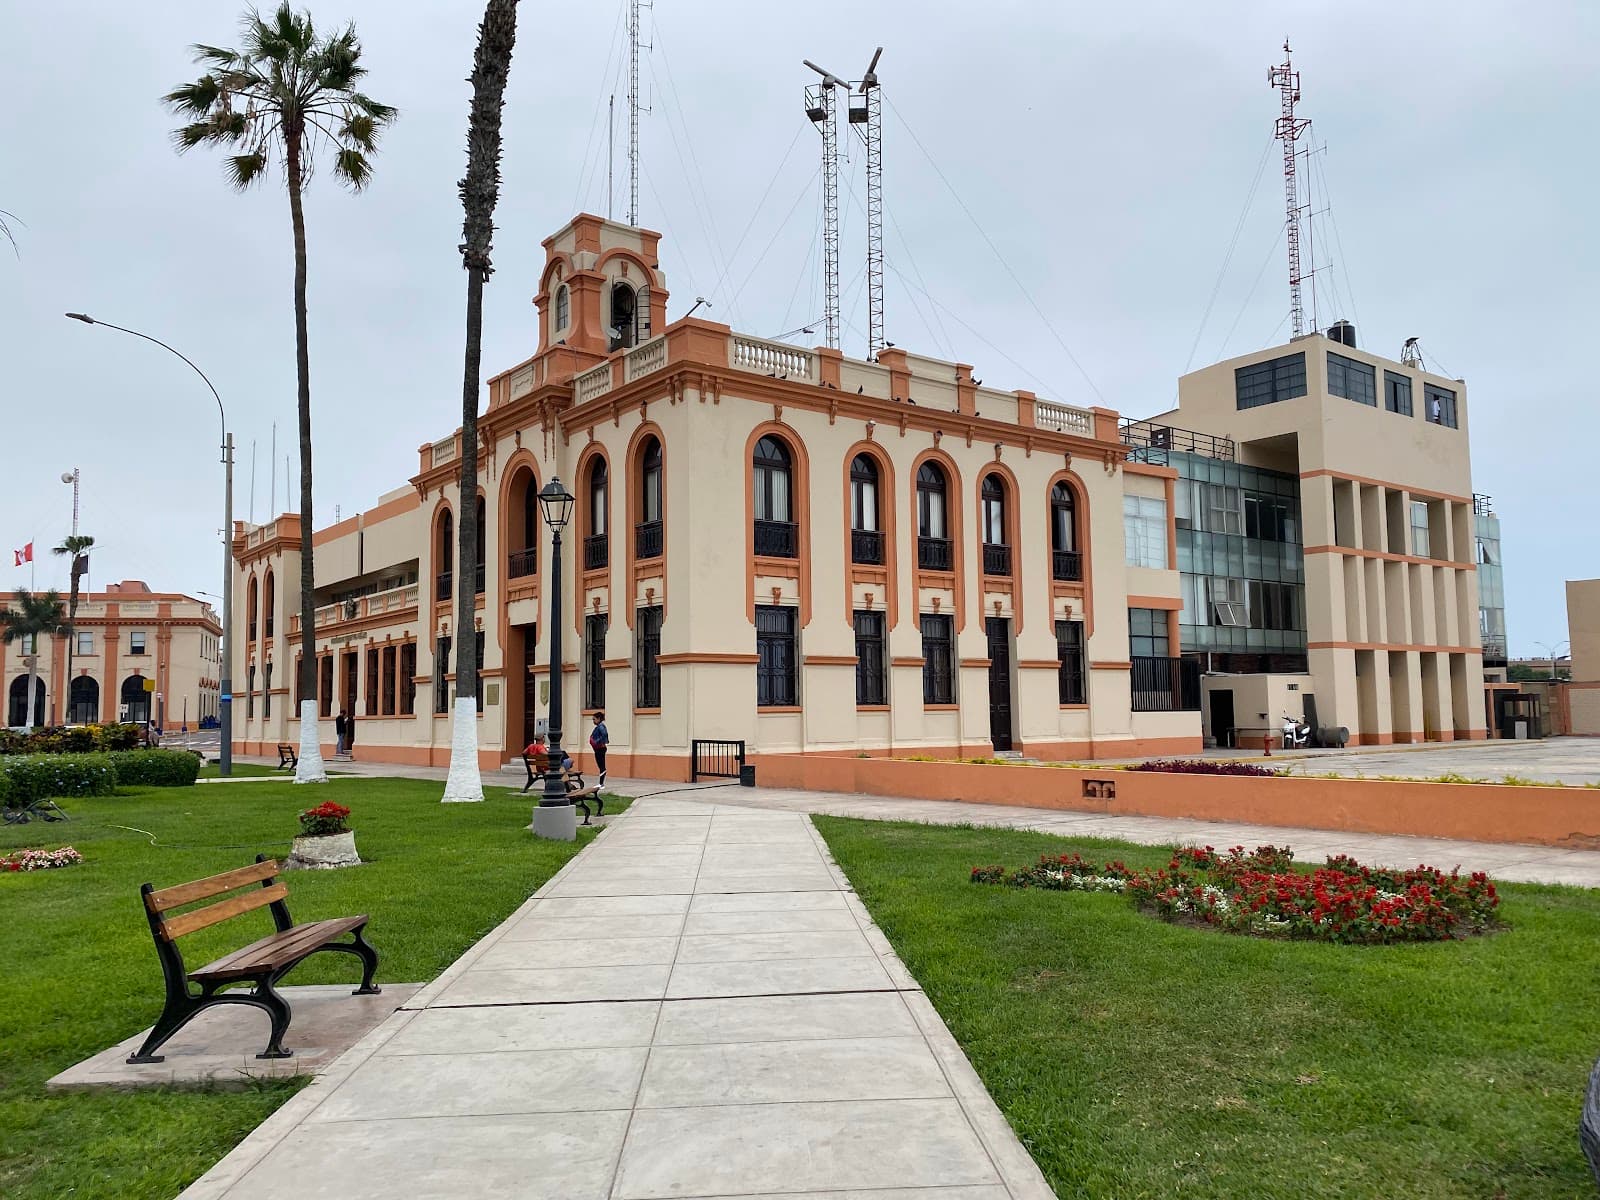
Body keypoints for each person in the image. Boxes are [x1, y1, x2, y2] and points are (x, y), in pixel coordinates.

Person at [589, 711, 609, 787]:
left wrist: (597, 742)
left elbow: (604, 735)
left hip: (600, 749)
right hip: (599, 749)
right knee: (601, 766)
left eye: (594, 719)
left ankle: (601, 784)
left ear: (599, 718)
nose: (593, 721)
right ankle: (601, 783)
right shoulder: (599, 727)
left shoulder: (601, 726)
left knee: (601, 766)